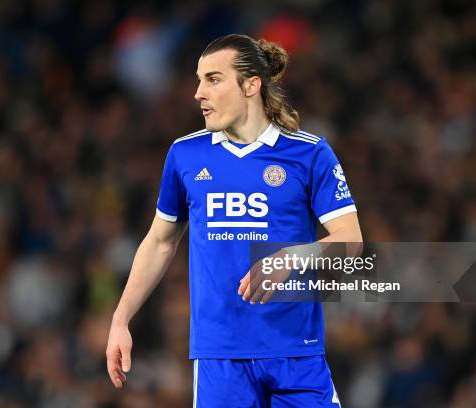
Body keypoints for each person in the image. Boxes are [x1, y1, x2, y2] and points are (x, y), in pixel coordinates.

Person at [106, 34, 362, 407]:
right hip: (220, 358)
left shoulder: (309, 153)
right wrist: (120, 318)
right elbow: (161, 241)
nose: (198, 93)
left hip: (296, 354)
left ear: (250, 85)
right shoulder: (186, 155)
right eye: (198, 79)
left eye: (212, 79)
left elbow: (351, 241)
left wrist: (290, 258)